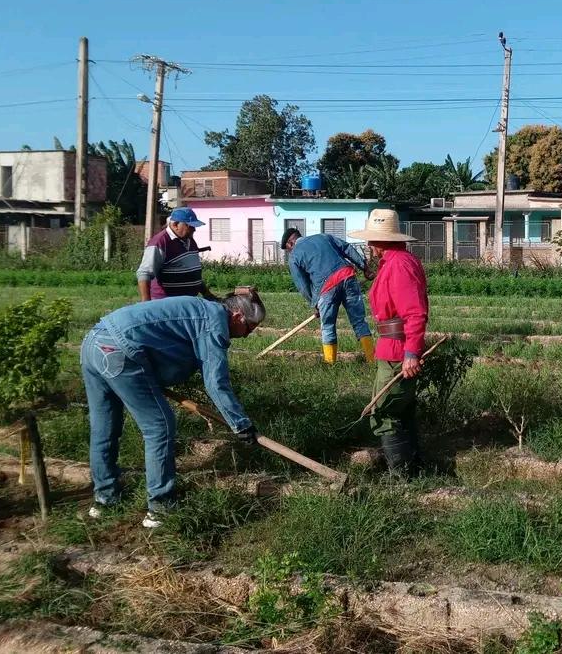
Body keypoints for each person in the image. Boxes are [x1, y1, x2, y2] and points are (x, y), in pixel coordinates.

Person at [81, 288, 266, 528]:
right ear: (238, 316)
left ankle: (105, 500)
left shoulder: (200, 309)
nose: (248, 335)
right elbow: (216, 383)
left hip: (94, 341)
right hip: (120, 351)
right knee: (159, 426)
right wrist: (241, 424)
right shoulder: (214, 322)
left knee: (104, 428)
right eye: (250, 328)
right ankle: (160, 508)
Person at [347, 209, 428, 475]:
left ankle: (402, 475)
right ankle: (414, 467)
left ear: (383, 240)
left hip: (397, 351)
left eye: (372, 239)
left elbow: (414, 312)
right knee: (400, 409)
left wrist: (411, 353)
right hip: (391, 348)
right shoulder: (392, 263)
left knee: (383, 412)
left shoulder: (399, 265)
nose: (369, 245)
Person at [280, 228, 375, 364]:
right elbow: (347, 248)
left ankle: (330, 364)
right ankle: (372, 360)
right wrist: (364, 268)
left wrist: (315, 303)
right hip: (348, 277)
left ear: (290, 244)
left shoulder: (294, 256)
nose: (289, 252)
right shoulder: (324, 237)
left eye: (288, 249)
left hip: (326, 288)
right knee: (359, 321)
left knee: (328, 326)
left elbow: (302, 286)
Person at [136, 207, 216, 302]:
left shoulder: (190, 240)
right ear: (175, 225)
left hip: (188, 302)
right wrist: (146, 304)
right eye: (190, 226)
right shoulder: (160, 242)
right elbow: (144, 274)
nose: (194, 229)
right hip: (166, 303)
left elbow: (193, 274)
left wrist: (207, 294)